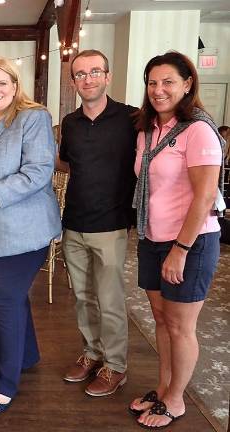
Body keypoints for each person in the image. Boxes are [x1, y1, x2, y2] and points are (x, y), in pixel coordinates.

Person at [129, 51, 223, 429]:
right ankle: (164, 387)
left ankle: (177, 399)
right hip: (152, 237)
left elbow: (204, 196)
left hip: (190, 243)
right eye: (152, 82)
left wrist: (180, 250)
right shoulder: (148, 129)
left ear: (187, 84)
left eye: (168, 82)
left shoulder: (199, 129)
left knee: (181, 326)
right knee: (162, 320)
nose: (158, 89)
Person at [0, 57, 61, 415]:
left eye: (3, 83)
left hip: (20, 232)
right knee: (12, 298)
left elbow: (39, 171)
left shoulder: (32, 118)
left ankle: (4, 384)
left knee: (1, 304)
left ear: (16, 86)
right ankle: (26, 356)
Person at [59, 49, 137, 396]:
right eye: (80, 74)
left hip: (111, 225)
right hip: (73, 223)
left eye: (94, 72)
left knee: (110, 299)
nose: (87, 78)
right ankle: (92, 353)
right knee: (82, 297)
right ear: (73, 80)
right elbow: (66, 164)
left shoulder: (133, 118)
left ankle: (116, 365)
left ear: (107, 76)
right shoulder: (70, 123)